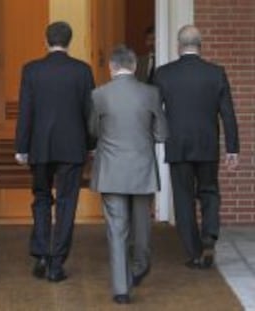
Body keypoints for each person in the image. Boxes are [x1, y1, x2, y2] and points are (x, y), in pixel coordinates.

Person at [15, 21, 95, 282]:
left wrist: (21, 147)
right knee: (66, 202)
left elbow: (25, 111)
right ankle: (56, 262)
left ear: (45, 40)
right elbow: (89, 113)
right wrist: (91, 144)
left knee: (40, 198)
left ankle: (40, 253)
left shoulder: (32, 70)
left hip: (40, 146)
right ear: (69, 41)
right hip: (72, 147)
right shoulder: (82, 71)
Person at [154, 25, 239, 269]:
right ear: (200, 46)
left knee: (183, 199)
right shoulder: (216, 73)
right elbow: (228, 114)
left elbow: (153, 111)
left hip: (178, 145)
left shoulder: (164, 74)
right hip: (207, 144)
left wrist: (156, 138)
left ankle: (194, 252)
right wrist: (232, 149)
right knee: (210, 191)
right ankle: (209, 237)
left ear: (179, 46)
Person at [89, 46, 167, 304]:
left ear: (111, 68)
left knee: (116, 228)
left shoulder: (99, 94)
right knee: (142, 222)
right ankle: (140, 266)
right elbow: (162, 134)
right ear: (135, 67)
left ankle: (121, 289)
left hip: (111, 169)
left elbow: (93, 130)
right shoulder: (151, 93)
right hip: (142, 168)